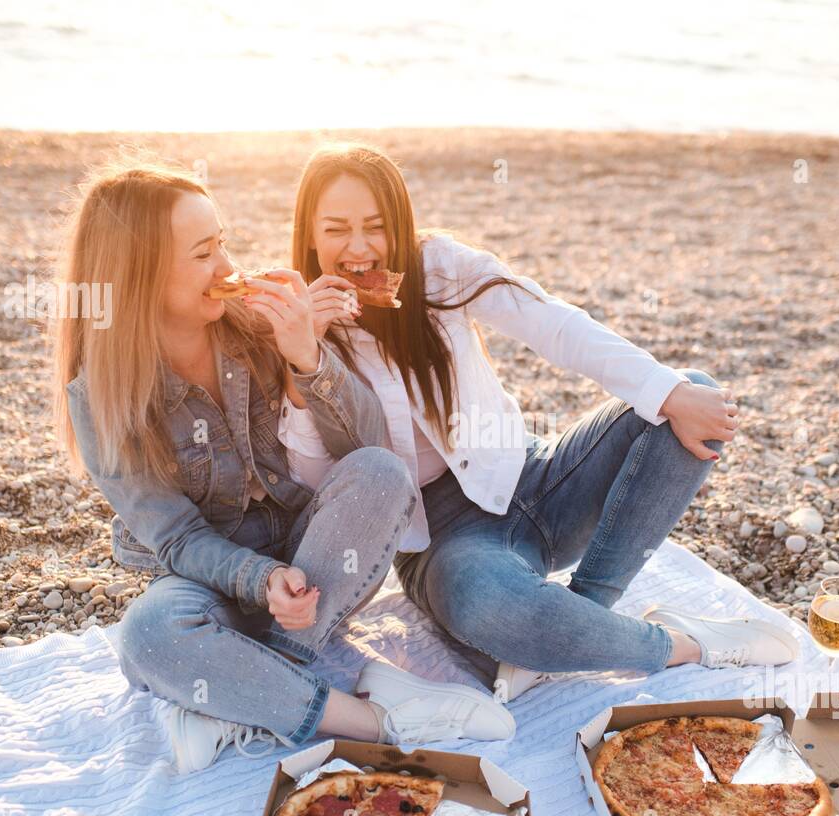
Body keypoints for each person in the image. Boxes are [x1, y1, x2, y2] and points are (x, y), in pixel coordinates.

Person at [280, 143, 800, 706]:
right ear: (309, 235)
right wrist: (304, 363)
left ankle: (583, 616)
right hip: (441, 541)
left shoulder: (441, 269)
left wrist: (669, 391)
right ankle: (683, 643)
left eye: (376, 227)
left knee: (689, 397)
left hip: (533, 476)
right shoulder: (294, 326)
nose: (359, 249)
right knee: (492, 609)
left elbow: (552, 323)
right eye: (336, 229)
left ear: (400, 226)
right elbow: (317, 478)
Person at [50, 157, 514, 773]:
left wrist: (305, 354)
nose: (226, 267)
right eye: (202, 254)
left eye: (223, 245)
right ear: (139, 277)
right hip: (212, 575)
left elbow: (370, 446)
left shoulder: (256, 323)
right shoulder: (99, 395)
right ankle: (369, 716)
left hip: (313, 563)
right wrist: (258, 581)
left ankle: (235, 694)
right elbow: (176, 538)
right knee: (146, 636)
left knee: (380, 472)